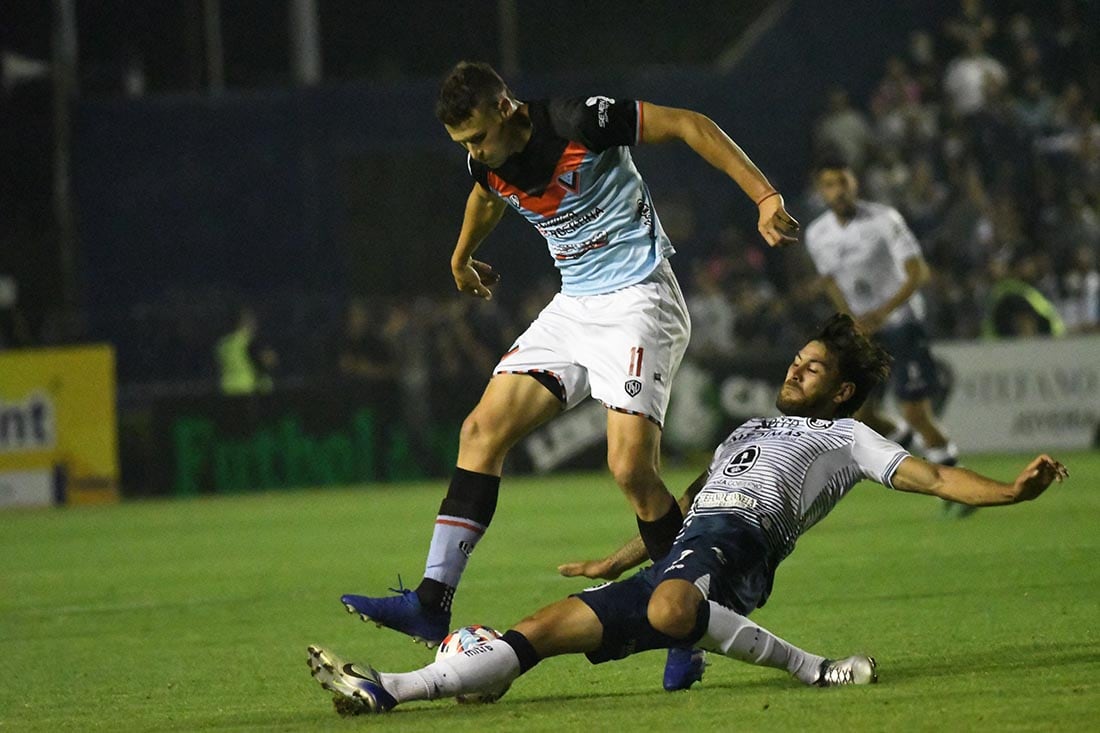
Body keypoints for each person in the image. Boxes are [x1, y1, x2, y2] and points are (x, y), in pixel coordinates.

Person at [307, 313, 1067, 716]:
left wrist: (1009, 491)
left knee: (677, 605)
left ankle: (815, 669)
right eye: (796, 358)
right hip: (684, 555)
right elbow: (683, 508)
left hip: (740, 557)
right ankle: (389, 689)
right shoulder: (746, 431)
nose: (793, 368)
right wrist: (617, 557)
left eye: (812, 367)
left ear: (840, 391)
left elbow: (933, 475)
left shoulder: (846, 437)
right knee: (533, 632)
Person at [339, 61, 800, 691]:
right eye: (463, 145)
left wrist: (764, 195)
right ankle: (430, 600)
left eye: (476, 138)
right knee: (481, 430)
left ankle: (687, 621)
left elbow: (690, 125)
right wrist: (461, 255)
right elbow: (486, 194)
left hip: (641, 299)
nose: (473, 154)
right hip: (575, 307)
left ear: (506, 108)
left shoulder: (579, 120)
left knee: (630, 470)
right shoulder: (486, 161)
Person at [803, 159, 967, 515]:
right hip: (864, 332)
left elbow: (917, 272)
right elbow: (830, 280)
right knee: (860, 414)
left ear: (855, 185)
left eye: (844, 182)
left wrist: (883, 311)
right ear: (822, 191)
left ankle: (955, 487)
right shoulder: (818, 234)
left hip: (903, 324)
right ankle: (907, 444)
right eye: (831, 184)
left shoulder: (884, 220)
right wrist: (851, 319)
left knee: (916, 411)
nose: (839, 190)